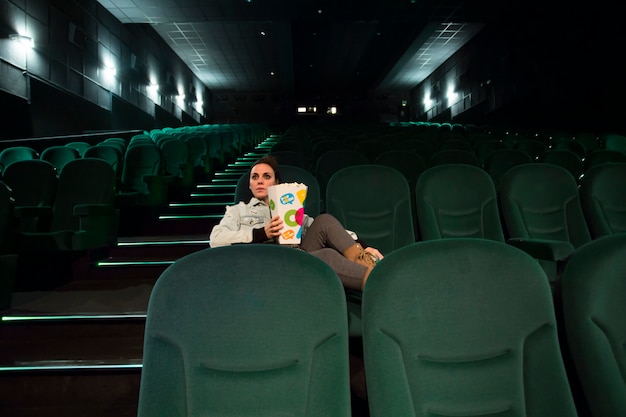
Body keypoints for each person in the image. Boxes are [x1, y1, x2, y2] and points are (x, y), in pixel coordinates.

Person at [209, 155, 383, 290]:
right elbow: (216, 239)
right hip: (265, 264)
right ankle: (378, 284)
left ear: (276, 183)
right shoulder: (238, 211)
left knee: (325, 220)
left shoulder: (289, 207)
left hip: (297, 257)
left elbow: (328, 228)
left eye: (266, 176)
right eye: (255, 177)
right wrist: (262, 233)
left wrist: (362, 245)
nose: (260, 181)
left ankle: (367, 264)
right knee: (327, 256)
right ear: (250, 185)